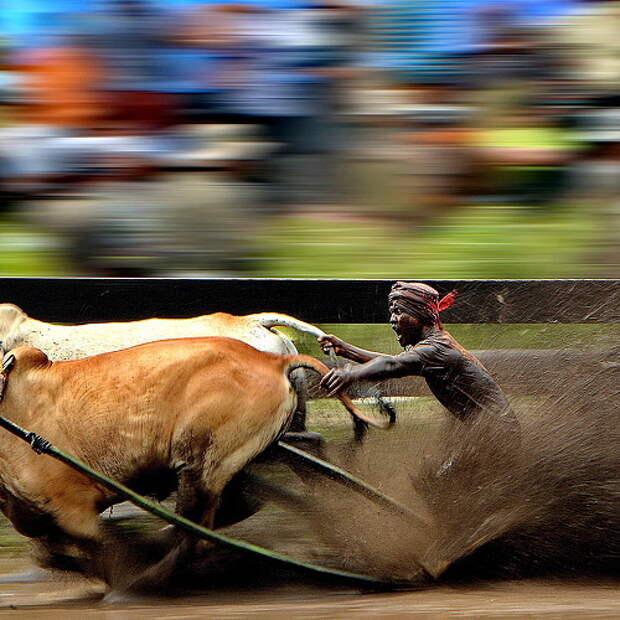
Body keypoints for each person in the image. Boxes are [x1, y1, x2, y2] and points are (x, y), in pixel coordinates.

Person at [319, 281, 518, 428]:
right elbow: (396, 362)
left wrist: (350, 374)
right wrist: (345, 349)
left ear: (418, 315)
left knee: (436, 482)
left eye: (398, 312)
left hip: (494, 433)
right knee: (433, 481)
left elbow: (391, 365)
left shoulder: (435, 350)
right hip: (490, 431)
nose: (392, 319)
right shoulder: (435, 346)